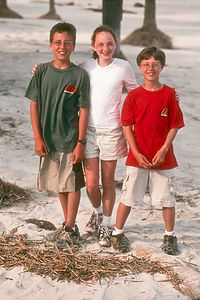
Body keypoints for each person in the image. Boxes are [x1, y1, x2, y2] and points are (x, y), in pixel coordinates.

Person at [111, 47, 184, 255]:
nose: (150, 68)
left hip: (164, 158)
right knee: (128, 196)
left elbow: (174, 125)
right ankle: (118, 232)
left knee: (166, 199)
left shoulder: (169, 94)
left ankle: (170, 236)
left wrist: (163, 150)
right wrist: (135, 151)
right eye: (146, 64)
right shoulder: (133, 96)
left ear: (161, 66)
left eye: (154, 64)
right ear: (140, 67)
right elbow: (127, 127)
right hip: (137, 157)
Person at [25, 22, 90, 246]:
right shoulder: (42, 71)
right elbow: (34, 105)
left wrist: (80, 142)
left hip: (70, 139)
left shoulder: (79, 75)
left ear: (73, 45)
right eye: (58, 42)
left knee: (71, 184)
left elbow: (83, 110)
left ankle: (70, 229)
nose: (63, 46)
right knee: (59, 185)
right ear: (51, 44)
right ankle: (68, 225)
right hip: (48, 140)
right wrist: (37, 137)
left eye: (67, 42)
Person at [82, 25, 138, 247]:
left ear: (116, 45)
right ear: (94, 46)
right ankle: (97, 212)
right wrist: (39, 71)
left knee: (107, 181)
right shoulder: (85, 66)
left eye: (110, 44)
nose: (106, 48)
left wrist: (166, 97)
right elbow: (66, 78)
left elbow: (136, 94)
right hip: (88, 130)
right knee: (91, 185)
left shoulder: (123, 67)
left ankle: (106, 224)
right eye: (101, 44)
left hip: (112, 131)